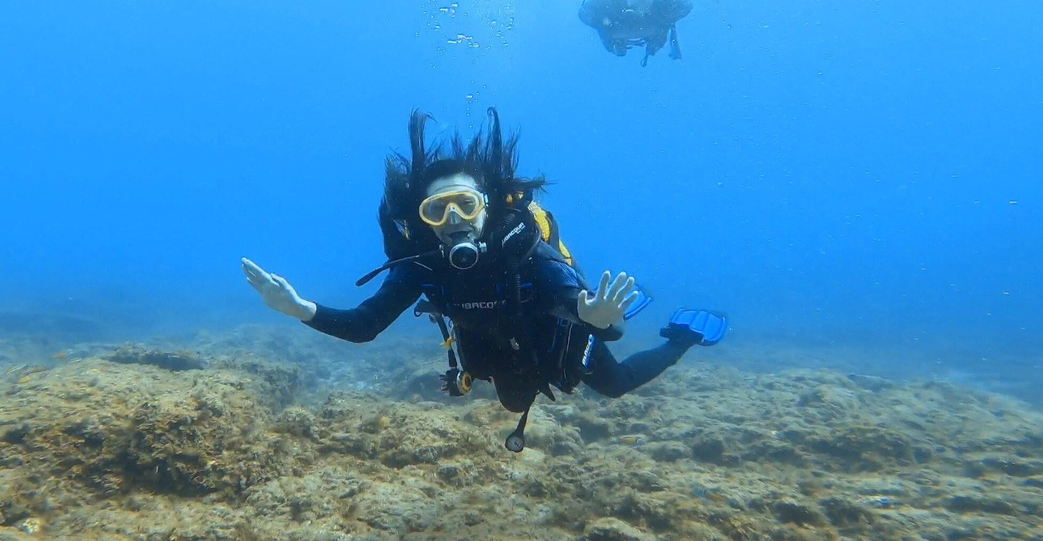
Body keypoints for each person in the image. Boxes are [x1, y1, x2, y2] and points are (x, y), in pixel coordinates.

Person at [242, 108, 726, 451]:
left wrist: (597, 317)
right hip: (490, 349)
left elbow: (577, 303)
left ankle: (682, 337)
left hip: (552, 335)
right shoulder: (424, 263)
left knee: (615, 383)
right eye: (437, 209)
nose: (453, 219)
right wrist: (297, 308)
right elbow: (365, 325)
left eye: (465, 205)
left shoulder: (522, 247)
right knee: (512, 399)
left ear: (487, 209)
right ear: (424, 220)